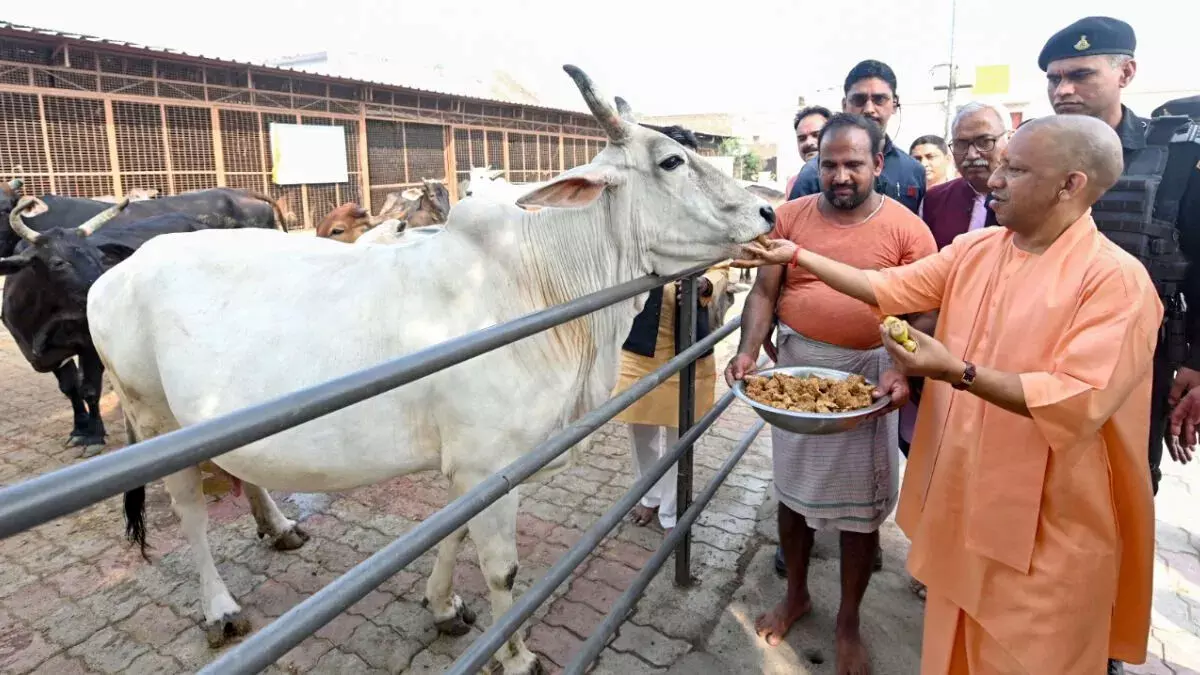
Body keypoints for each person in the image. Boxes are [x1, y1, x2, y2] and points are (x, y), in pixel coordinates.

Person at [734, 114, 1158, 675]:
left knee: (1029, 651)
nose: (995, 178)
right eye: (1002, 164)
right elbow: (886, 288)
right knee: (952, 643)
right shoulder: (979, 249)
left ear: (1070, 184)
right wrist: (797, 256)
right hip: (964, 489)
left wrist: (954, 370)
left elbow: (1076, 400)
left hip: (1046, 518)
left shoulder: (1116, 281)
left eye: (1015, 168)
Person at [724, 112, 934, 673]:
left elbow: (923, 312)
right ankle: (797, 594)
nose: (840, 175)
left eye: (853, 165)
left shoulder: (908, 230)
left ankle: (848, 621)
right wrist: (749, 349)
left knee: (861, 516)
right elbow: (764, 293)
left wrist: (902, 371)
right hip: (797, 381)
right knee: (792, 496)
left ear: (878, 165)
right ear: (815, 164)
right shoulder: (788, 217)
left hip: (869, 381)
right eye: (829, 164)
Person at [1040, 16, 1200, 498]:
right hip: (1043, 348)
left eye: (1080, 75)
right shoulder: (1040, 150)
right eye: (1054, 78)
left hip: (1135, 360)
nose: (1063, 89)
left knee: (1120, 485)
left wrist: (1195, 359)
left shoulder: (1174, 156)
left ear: (1125, 73)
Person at [613, 126, 731, 533]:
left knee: (680, 427)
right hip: (642, 333)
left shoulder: (708, 211)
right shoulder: (636, 208)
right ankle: (650, 495)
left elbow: (723, 259)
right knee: (641, 427)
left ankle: (672, 506)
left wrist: (706, 285)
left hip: (688, 331)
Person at [788, 60, 926, 215]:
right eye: (859, 100)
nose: (869, 109)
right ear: (844, 105)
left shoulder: (913, 172)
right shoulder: (813, 173)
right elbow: (792, 228)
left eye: (879, 99)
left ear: (894, 104)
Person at [920, 103, 1011, 249]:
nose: (971, 154)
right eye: (961, 144)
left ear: (1009, 139)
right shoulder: (934, 201)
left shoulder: (1028, 200)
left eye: (984, 142)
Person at [786, 105, 832, 196]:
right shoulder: (793, 183)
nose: (808, 142)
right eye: (802, 138)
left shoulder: (843, 178)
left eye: (816, 135)